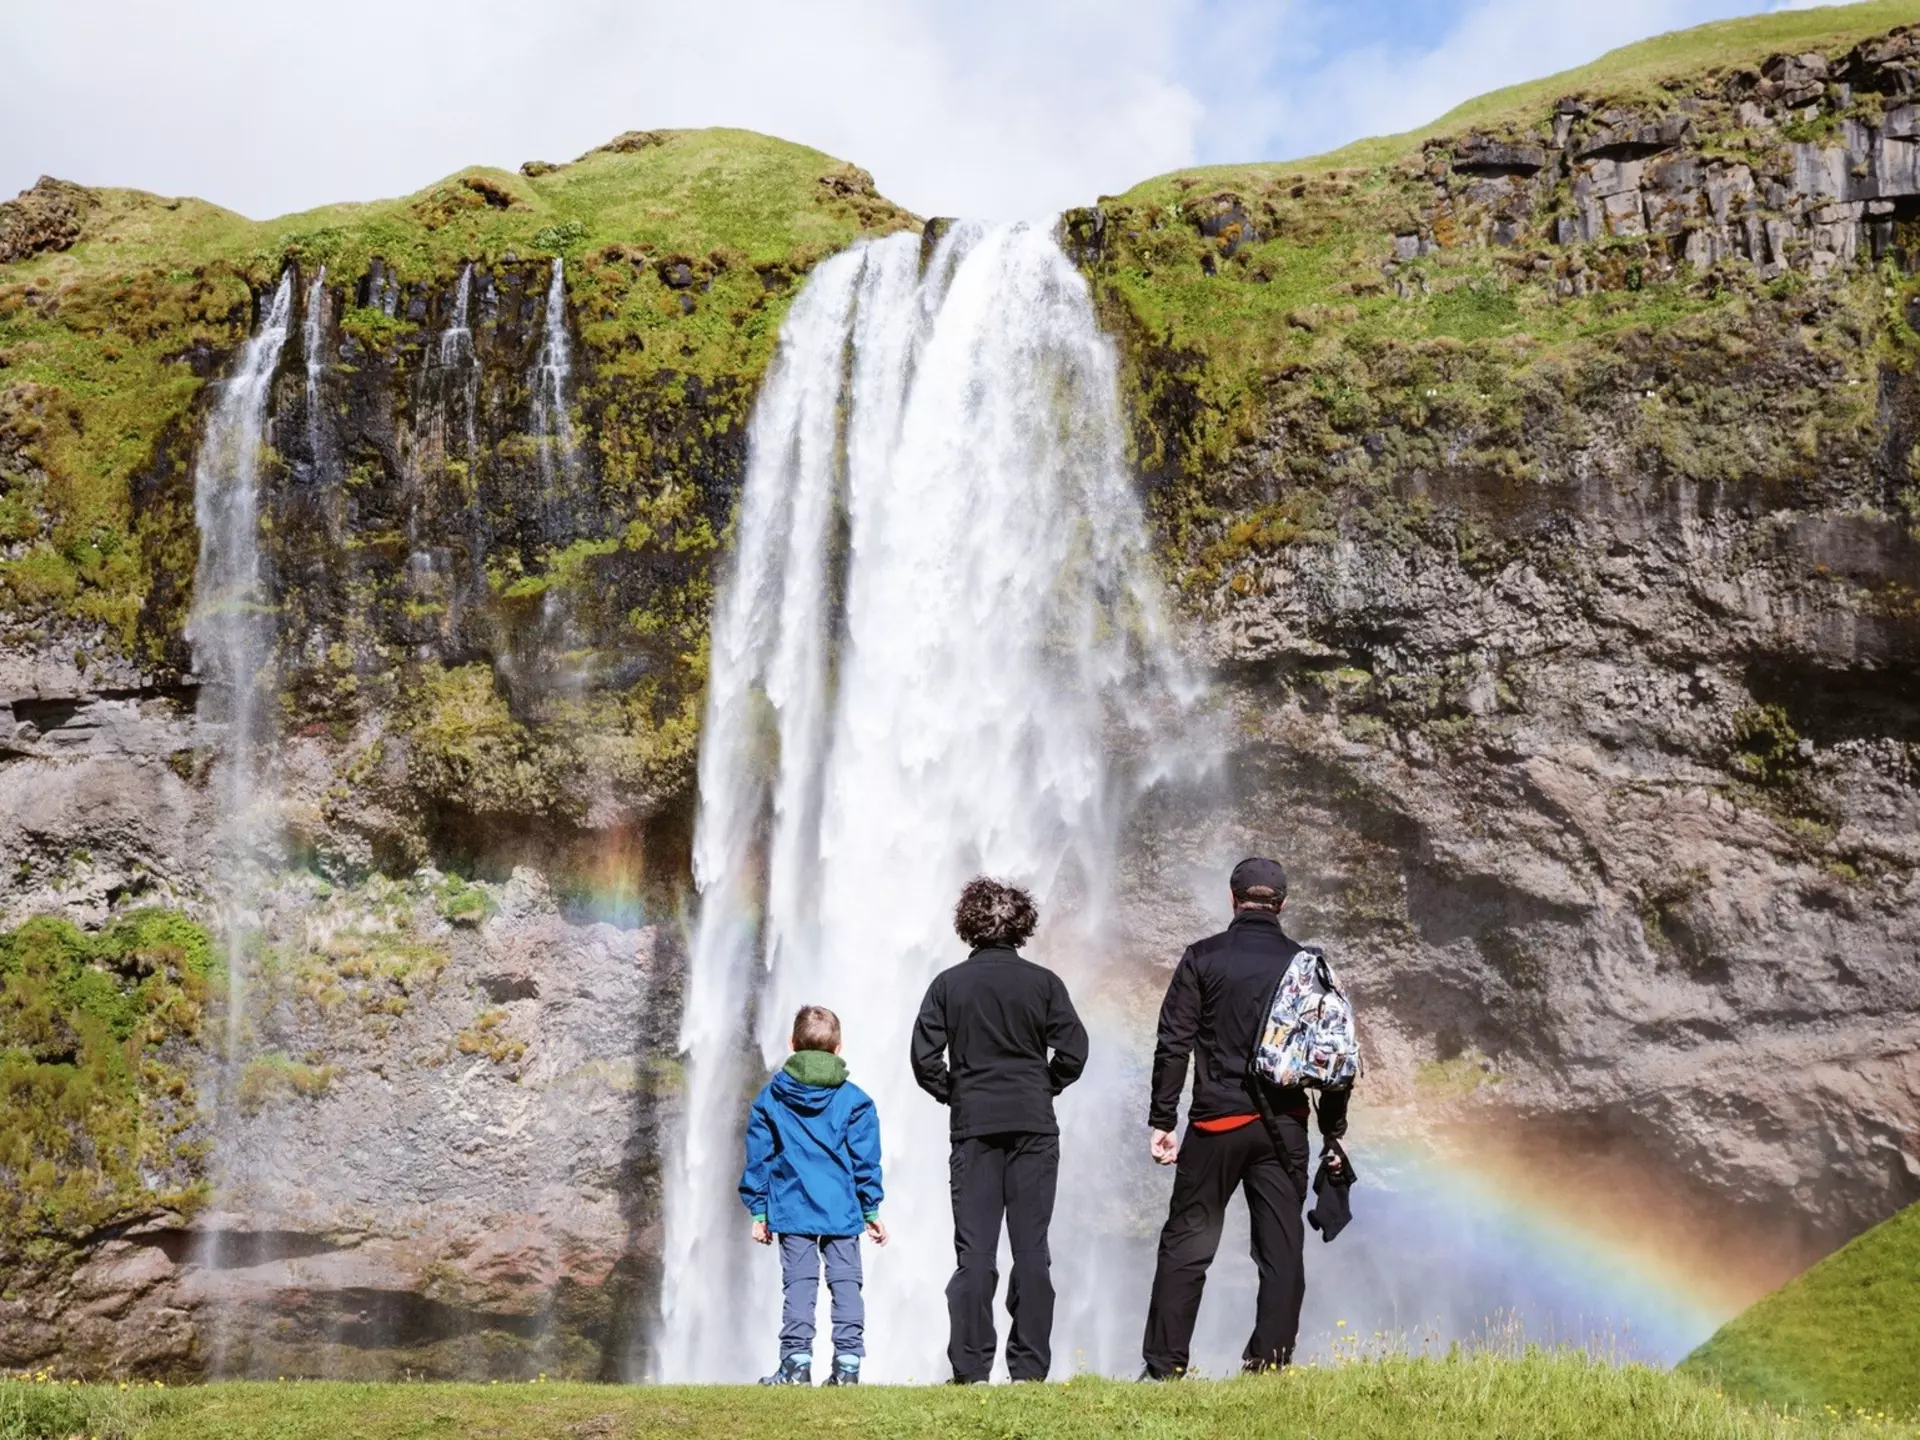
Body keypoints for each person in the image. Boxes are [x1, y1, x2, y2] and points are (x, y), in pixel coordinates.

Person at [1140, 857, 1350, 1380]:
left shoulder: (1202, 958)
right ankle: (1270, 1363)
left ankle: (1165, 1367)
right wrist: (1334, 1132)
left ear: (1232, 898)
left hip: (1215, 1125)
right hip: (1283, 1127)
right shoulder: (1307, 965)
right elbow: (1335, 1057)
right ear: (1282, 903)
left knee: (1188, 1243)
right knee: (1280, 1249)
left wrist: (1163, 1118)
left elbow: (1174, 1043)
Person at [911, 877, 1089, 1384]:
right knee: (1032, 1250)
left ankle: (969, 1370)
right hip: (1034, 1125)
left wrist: (955, 1092)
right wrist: (1045, 1085)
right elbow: (1075, 1049)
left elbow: (923, 1058)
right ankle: (1030, 1369)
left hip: (974, 1128)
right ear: (1022, 925)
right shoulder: (1044, 983)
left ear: (968, 925)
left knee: (976, 1254)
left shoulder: (948, 985)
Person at [740, 1004, 888, 1387]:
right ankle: (849, 1365)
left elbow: (759, 1158)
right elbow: (865, 1160)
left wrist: (759, 1212)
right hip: (841, 1210)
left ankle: (795, 1364)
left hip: (792, 1207)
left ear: (792, 1044)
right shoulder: (856, 1100)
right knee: (845, 1283)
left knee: (800, 1285)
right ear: (838, 1049)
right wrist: (870, 1208)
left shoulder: (771, 1097)